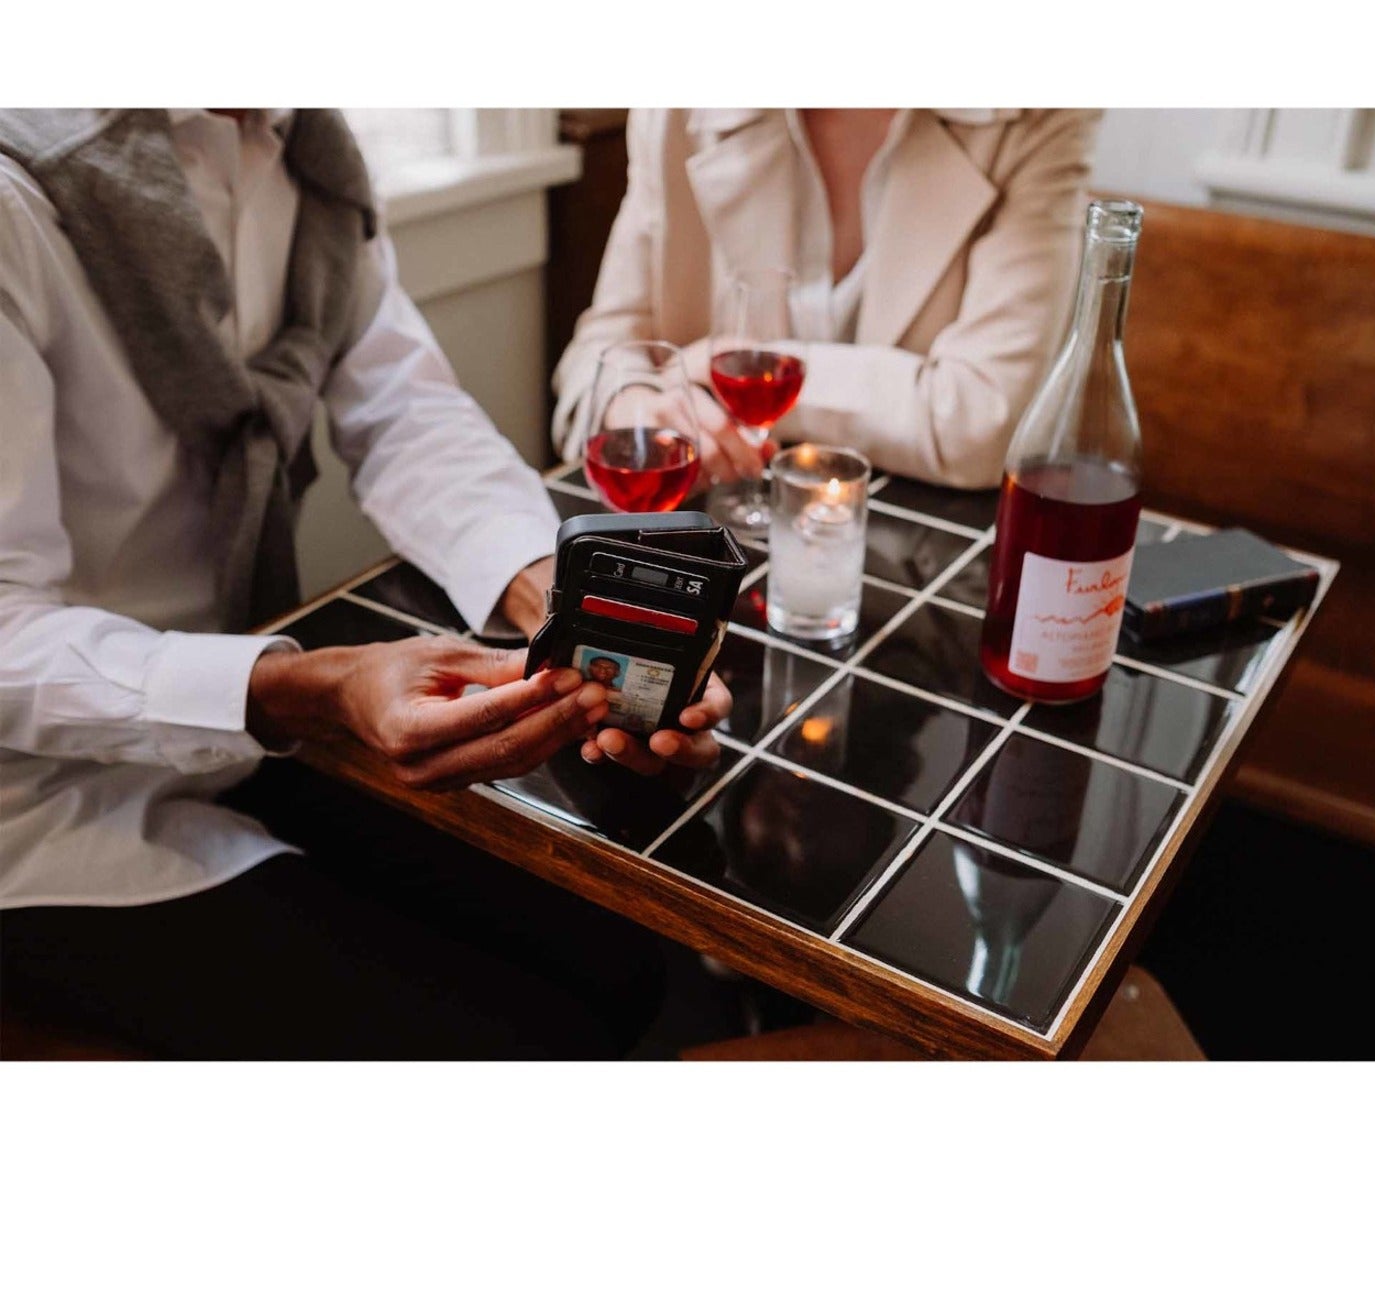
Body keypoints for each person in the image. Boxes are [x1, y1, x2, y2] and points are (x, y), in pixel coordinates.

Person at [0, 108, 728, 1060]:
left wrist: (568, 605)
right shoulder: (19, 196)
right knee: (536, 1042)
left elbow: (409, 419)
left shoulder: (303, 152)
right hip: (45, 812)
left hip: (246, 744)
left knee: (629, 962)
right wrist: (306, 688)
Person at [552, 108, 1103, 489]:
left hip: (922, 556)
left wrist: (726, 372)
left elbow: (985, 421)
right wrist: (630, 401)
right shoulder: (680, 106)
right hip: (714, 540)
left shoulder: (1039, 117)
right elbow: (598, 353)